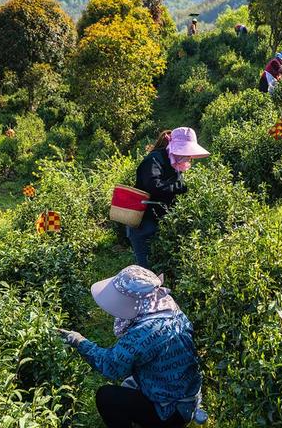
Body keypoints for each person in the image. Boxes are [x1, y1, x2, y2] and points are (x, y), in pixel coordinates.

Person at [58, 265, 206, 428]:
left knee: (106, 396)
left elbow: (111, 366)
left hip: (171, 411)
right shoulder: (166, 306)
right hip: (187, 394)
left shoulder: (144, 332)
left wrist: (79, 341)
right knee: (129, 383)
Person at [127, 127, 209, 267]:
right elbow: (154, 187)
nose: (188, 157)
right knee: (146, 268)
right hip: (143, 222)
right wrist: (180, 187)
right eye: (186, 153)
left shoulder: (174, 163)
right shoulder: (153, 160)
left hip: (158, 220)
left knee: (160, 267)